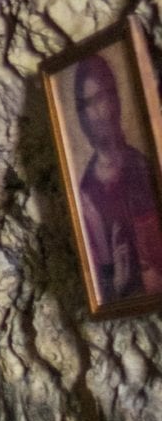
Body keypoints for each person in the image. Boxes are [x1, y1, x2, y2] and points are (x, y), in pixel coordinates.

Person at [70, 53, 162, 302]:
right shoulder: (87, 193)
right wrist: (117, 280)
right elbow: (101, 288)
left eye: (108, 94)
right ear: (83, 115)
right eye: (92, 102)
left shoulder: (143, 165)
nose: (104, 109)